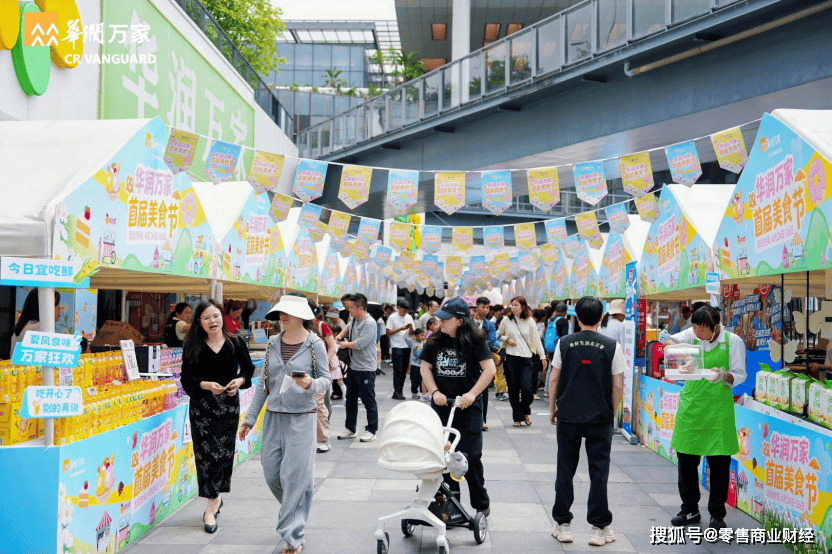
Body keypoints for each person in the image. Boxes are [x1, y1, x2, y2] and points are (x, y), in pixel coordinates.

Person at [240, 295, 331, 554]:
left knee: (294, 478)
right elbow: (264, 384)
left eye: (289, 312)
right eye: (281, 312)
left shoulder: (315, 344)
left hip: (302, 417)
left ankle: (293, 536)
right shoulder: (272, 343)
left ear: (302, 315)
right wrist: (250, 418)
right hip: (273, 417)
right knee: (272, 475)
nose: (283, 316)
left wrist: (310, 384)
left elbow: (327, 380)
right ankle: (298, 504)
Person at [549, 297, 625, 547]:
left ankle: (563, 525)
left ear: (577, 317)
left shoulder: (564, 343)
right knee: (599, 472)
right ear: (602, 318)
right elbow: (617, 385)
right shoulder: (612, 345)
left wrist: (552, 408)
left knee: (565, 469)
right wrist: (612, 415)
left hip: (569, 416)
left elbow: (554, 379)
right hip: (599, 418)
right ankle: (599, 528)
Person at [663, 305, 746, 530]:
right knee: (686, 461)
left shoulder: (733, 342)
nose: (698, 333)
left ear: (716, 327)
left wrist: (723, 375)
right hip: (692, 406)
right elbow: (668, 342)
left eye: (703, 330)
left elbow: (739, 375)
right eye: (696, 328)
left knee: (719, 464)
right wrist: (685, 357)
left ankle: (717, 514)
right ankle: (689, 509)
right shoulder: (692, 334)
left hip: (718, 409)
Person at [180, 300, 255, 534]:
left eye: (215, 316)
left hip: (228, 410)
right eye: (206, 318)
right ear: (199, 323)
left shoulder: (235, 342)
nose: (212, 321)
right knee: (205, 457)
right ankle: (212, 503)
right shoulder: (193, 345)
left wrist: (240, 381)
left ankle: (213, 501)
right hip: (202, 411)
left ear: (222, 318)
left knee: (222, 456)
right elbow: (185, 378)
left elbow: (248, 369)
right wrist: (204, 385)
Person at [420, 296, 496, 518]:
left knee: (470, 456)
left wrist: (472, 394)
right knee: (444, 457)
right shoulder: (435, 340)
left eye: (446, 319)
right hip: (443, 406)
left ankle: (480, 500)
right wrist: (435, 392)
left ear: (460, 320)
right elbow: (425, 367)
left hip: (468, 407)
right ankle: (452, 504)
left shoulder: (476, 341)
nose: (441, 322)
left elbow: (489, 370)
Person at [499, 297, 548, 427]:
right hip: (510, 358)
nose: (513, 308)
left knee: (527, 389)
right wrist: (507, 338)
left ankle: (523, 411)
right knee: (513, 390)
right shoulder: (506, 320)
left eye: (516, 305)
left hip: (526, 358)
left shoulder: (530, 321)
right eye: (512, 305)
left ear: (523, 307)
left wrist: (543, 357)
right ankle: (518, 417)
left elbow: (536, 340)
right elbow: (497, 335)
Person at [336, 293, 379, 442]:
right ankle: (350, 428)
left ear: (360, 308)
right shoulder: (354, 320)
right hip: (354, 367)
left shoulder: (370, 323)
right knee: (350, 399)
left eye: (352, 308)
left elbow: (359, 344)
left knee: (368, 400)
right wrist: (340, 336)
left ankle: (372, 430)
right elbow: (347, 328)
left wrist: (343, 344)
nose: (350, 310)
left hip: (366, 368)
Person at [473, 296, 501, 431]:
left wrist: (476, 345)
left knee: (483, 389)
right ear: (477, 306)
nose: (485, 310)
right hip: (469, 359)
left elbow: (492, 341)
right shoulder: (468, 322)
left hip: (483, 359)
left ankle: (483, 419)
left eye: (487, 307)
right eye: (483, 307)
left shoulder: (490, 325)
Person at [11, 289, 62, 356]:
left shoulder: (26, 325)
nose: (59, 307)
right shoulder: (39, 328)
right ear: (41, 306)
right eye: (56, 304)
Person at [387, 299, 414, 400]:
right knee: (397, 369)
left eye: (406, 311)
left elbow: (412, 333)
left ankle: (400, 390)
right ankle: (397, 391)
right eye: (404, 310)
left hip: (406, 345)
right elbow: (388, 332)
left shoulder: (409, 317)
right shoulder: (392, 317)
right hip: (396, 346)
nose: (405, 313)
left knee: (403, 370)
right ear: (399, 308)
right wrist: (400, 329)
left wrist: (410, 328)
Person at [405, 327, 427, 399]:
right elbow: (405, 338)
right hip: (414, 365)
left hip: (422, 365)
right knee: (414, 379)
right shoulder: (412, 342)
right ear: (416, 336)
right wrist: (407, 331)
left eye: (424, 335)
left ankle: (422, 392)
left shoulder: (424, 344)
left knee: (422, 379)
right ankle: (414, 392)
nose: (423, 337)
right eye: (421, 335)